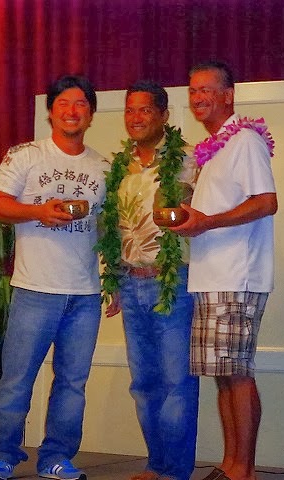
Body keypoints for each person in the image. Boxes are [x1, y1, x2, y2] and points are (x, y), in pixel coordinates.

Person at [0, 75, 108, 480]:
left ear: (91, 114)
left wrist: (117, 280)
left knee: (72, 383)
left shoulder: (104, 167)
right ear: (50, 111)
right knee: (17, 380)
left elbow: (109, 229)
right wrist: (39, 211)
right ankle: (2, 456)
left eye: (81, 104)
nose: (72, 111)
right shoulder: (25, 156)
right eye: (64, 103)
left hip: (85, 294)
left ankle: (56, 457)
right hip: (34, 289)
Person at [171, 61, 277, 480]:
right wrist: (189, 215)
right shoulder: (214, 147)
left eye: (207, 90)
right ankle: (230, 463)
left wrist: (208, 222)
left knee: (236, 373)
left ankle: (243, 470)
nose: (198, 97)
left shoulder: (245, 140)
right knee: (223, 375)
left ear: (229, 95)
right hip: (211, 277)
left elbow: (266, 201)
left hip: (237, 276)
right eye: (193, 91)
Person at [98, 81, 199, 480]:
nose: (135, 118)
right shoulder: (119, 166)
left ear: (163, 115)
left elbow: (191, 210)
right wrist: (113, 279)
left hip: (171, 282)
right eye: (130, 110)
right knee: (143, 383)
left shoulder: (187, 159)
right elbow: (113, 226)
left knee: (177, 381)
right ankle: (156, 465)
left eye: (144, 110)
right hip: (130, 281)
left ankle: (175, 471)